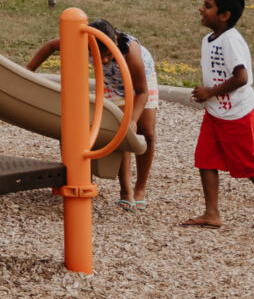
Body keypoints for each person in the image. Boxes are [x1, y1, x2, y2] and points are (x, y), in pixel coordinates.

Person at [185, 0, 254, 230]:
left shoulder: (231, 39)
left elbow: (242, 77)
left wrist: (210, 92)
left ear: (224, 15)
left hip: (237, 113)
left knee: (246, 162)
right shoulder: (208, 40)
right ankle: (211, 214)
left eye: (207, 6)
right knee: (205, 159)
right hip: (216, 112)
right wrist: (208, 95)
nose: (201, 8)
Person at [27, 18, 158, 203]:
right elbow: (50, 47)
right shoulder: (84, 41)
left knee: (147, 131)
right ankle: (125, 190)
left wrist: (134, 120)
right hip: (111, 84)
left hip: (140, 82)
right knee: (120, 130)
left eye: (107, 54)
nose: (104, 60)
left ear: (114, 42)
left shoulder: (131, 52)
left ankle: (140, 189)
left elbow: (142, 92)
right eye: (99, 55)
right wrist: (29, 71)